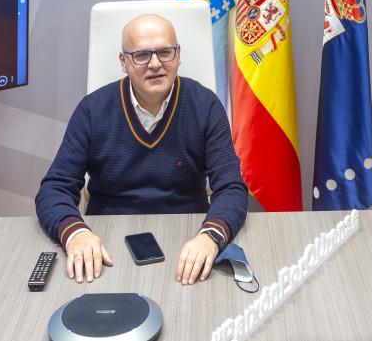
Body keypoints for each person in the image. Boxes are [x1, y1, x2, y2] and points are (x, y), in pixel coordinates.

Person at [35, 14, 248, 286]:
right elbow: (54, 188)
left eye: (164, 52)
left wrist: (211, 236)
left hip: (190, 241)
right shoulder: (92, 110)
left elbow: (232, 187)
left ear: (178, 55)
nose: (156, 64)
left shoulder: (206, 106)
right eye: (142, 55)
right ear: (123, 62)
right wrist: (75, 233)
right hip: (104, 246)